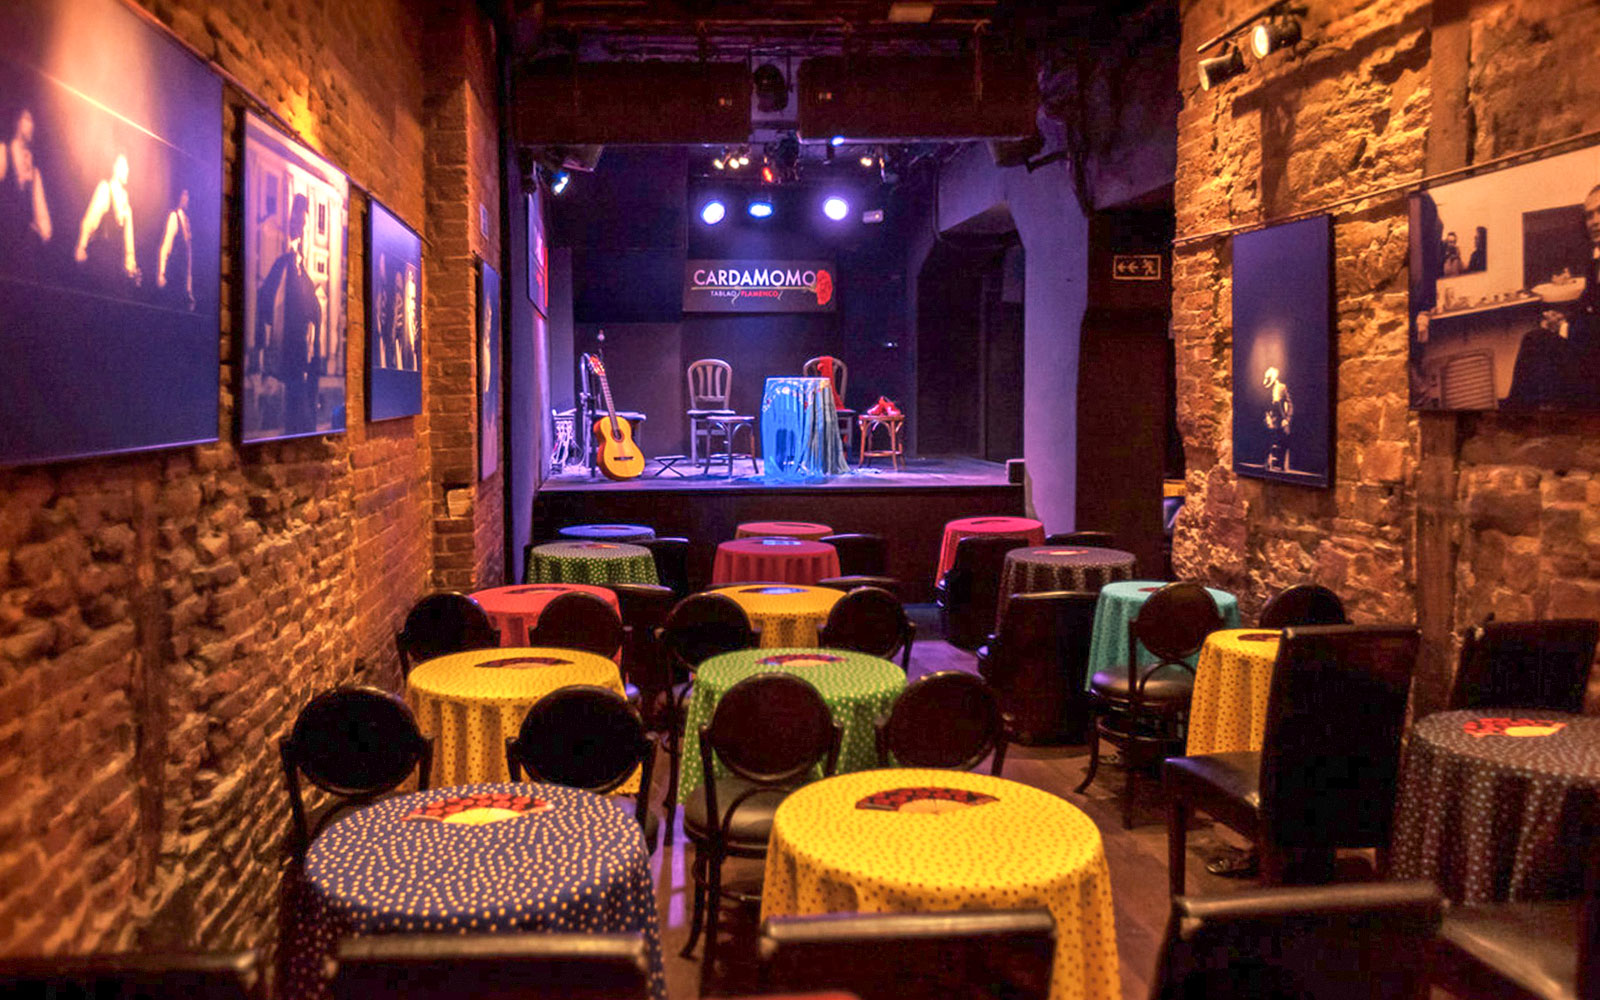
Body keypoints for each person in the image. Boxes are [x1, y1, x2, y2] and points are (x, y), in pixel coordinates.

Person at [1504, 185, 1600, 409]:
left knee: (1536, 344)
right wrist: (1561, 320)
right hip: (1591, 353)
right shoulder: (1593, 260)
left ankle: (1514, 415)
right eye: (1589, 215)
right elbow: (1588, 305)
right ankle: (1517, 413)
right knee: (1535, 340)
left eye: (1599, 212)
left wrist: (1564, 329)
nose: (1594, 221)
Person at [255, 192, 323, 434]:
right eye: (298, 224)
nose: (301, 231)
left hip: (305, 359)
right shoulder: (283, 264)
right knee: (291, 419)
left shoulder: (303, 270)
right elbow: (266, 302)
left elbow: (313, 311)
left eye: (304, 225)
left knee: (303, 420)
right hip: (289, 356)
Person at [75, 152, 141, 289]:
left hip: (115, 266)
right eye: (124, 166)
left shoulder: (126, 201)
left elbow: (129, 241)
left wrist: (131, 267)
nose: (128, 170)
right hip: (100, 259)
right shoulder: (105, 188)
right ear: (115, 167)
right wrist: (82, 246)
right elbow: (90, 220)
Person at [0, 108, 53, 265]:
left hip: (22, 240)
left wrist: (44, 231)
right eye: (27, 119)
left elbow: (38, 202)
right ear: (17, 122)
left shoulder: (33, 166)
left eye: (32, 121)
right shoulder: (4, 151)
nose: (31, 125)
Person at [157, 189, 194, 310]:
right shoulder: (174, 216)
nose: (187, 198)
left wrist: (189, 288)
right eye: (184, 194)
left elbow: (189, 258)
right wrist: (161, 273)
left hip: (182, 279)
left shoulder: (187, 221)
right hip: (174, 276)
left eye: (187, 195)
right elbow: (166, 246)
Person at [1262, 366, 1292, 471]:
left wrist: (1287, 419)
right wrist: (1268, 418)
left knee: (1284, 439)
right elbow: (1264, 406)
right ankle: (1268, 462)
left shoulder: (1282, 387)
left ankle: (1283, 465)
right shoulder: (1265, 390)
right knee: (1269, 439)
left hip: (1281, 420)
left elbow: (1289, 403)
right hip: (1271, 419)